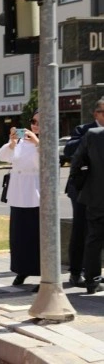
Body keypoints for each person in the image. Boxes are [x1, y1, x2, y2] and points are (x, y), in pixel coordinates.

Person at [0, 110, 41, 291]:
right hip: (18, 193)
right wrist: (13, 143)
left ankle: (44, 275)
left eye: (40, 122)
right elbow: (3, 156)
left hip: (36, 192)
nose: (35, 125)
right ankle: (22, 269)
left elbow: (47, 161)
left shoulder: (47, 141)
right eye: (33, 121)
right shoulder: (21, 142)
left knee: (37, 237)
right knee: (19, 236)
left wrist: (38, 143)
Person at [63, 97, 104, 287]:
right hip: (82, 191)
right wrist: (90, 138)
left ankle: (92, 274)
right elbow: (70, 152)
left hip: (98, 192)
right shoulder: (84, 130)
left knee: (94, 234)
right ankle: (75, 272)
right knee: (81, 230)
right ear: (96, 113)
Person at [70, 124, 104, 294]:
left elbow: (76, 162)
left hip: (97, 197)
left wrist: (81, 185)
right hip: (96, 197)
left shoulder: (93, 134)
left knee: (94, 239)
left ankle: (92, 281)